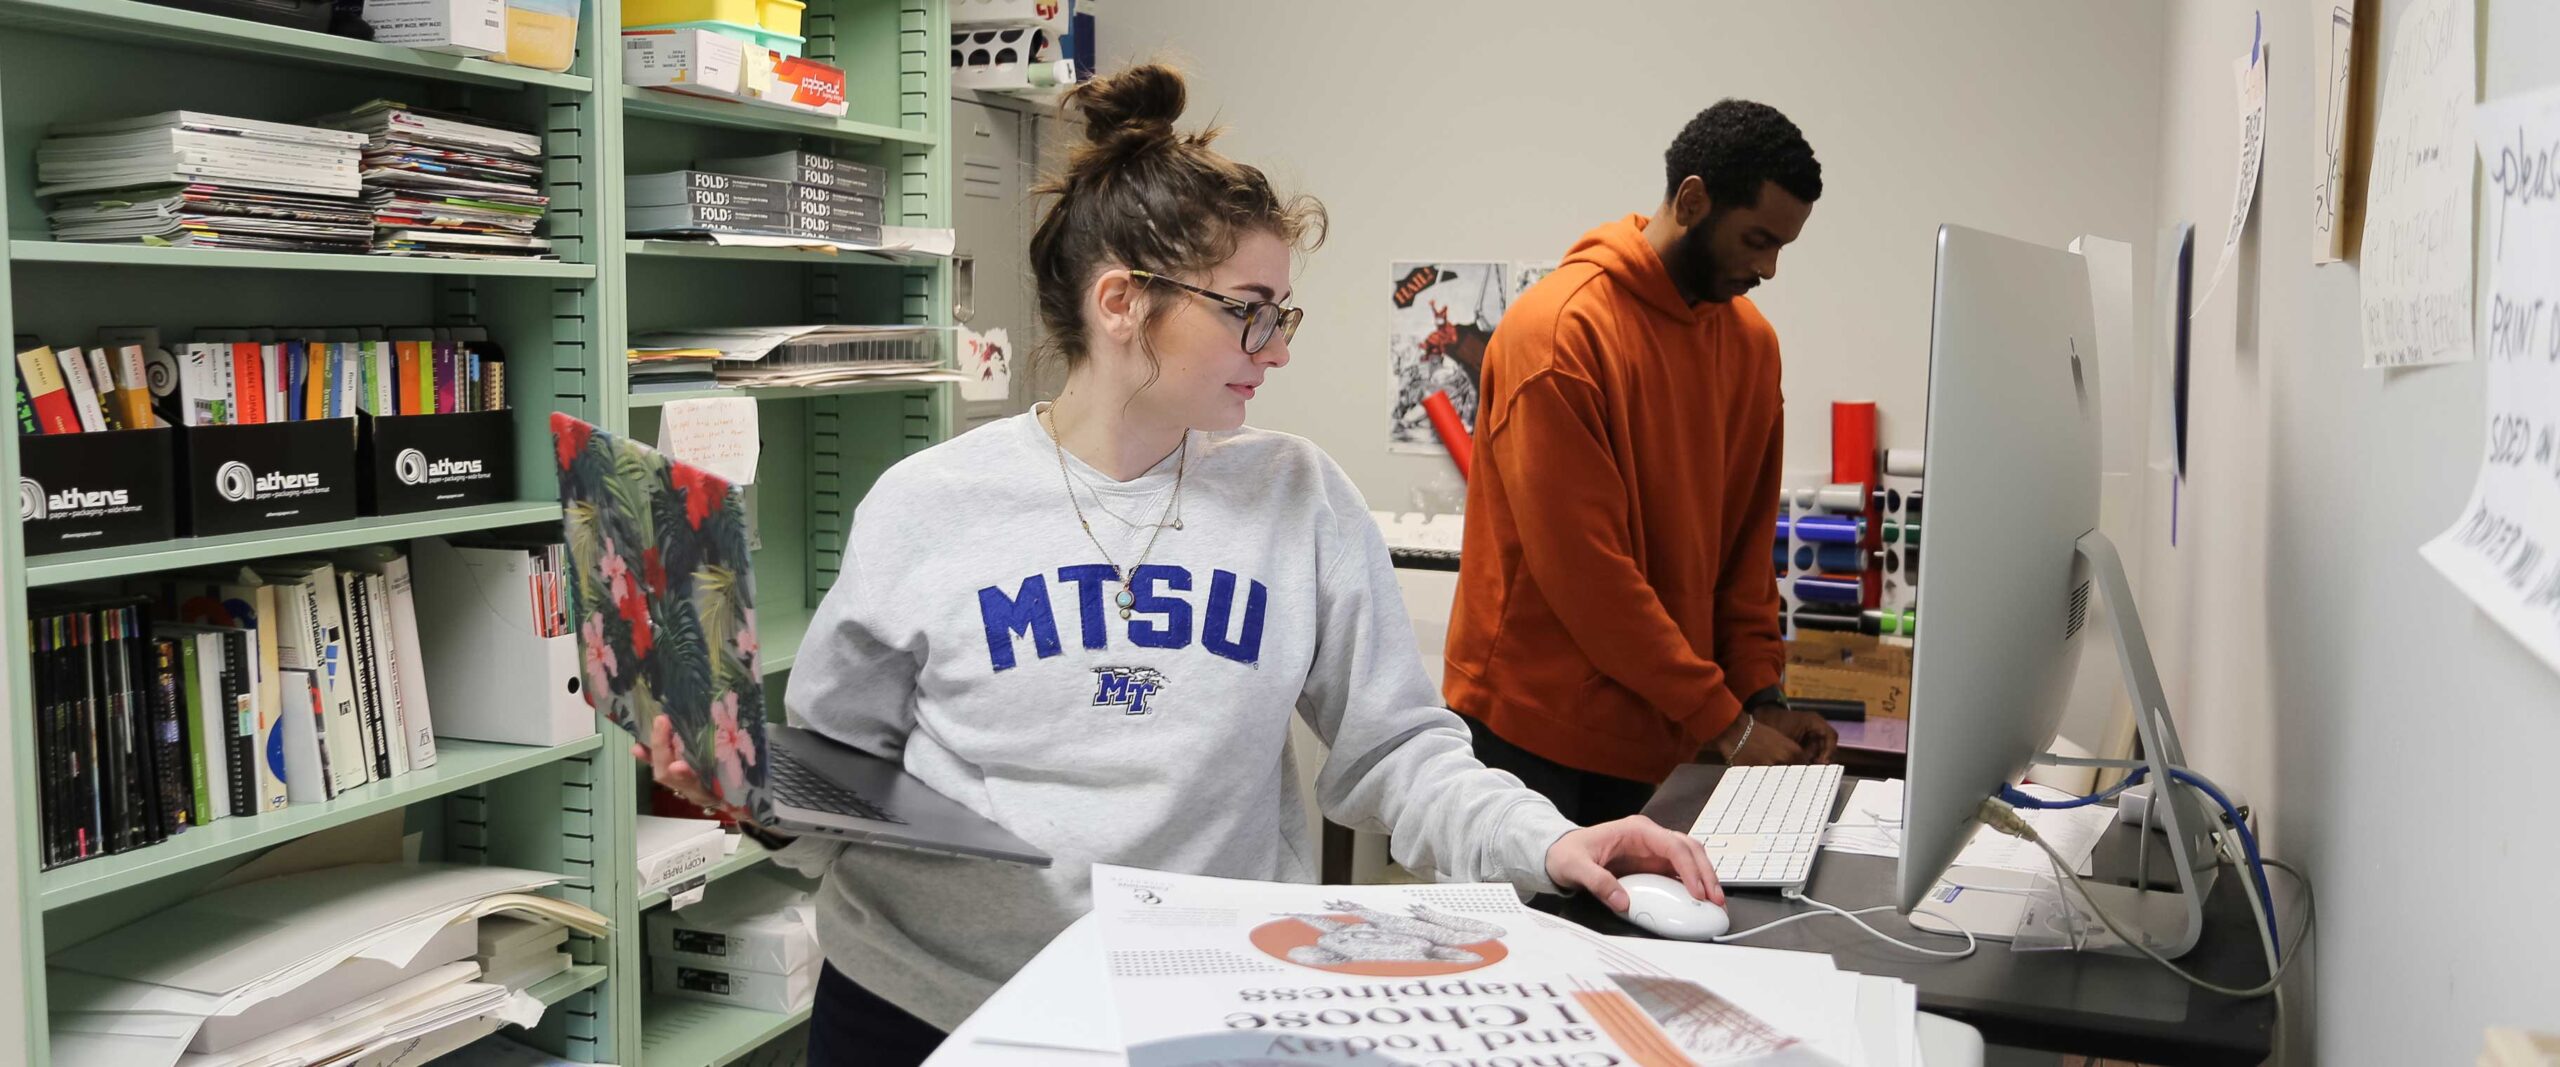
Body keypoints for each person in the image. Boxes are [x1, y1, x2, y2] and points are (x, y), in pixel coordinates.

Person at [632, 64, 1722, 1067]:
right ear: (1121, 303)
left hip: (1195, 1004)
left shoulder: (1298, 497)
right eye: (1250, 313)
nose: (1280, 346)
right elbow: (839, 767)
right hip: (924, 1005)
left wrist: (1556, 838)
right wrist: (747, 793)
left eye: (1280, 312)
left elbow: (1398, 752)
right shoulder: (929, 505)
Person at [1443, 99, 1841, 828]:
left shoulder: (1751, 345)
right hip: (1536, 734)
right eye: (1757, 239)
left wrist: (1761, 697)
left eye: (1783, 246)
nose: (1769, 268)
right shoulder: (1561, 335)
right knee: (1543, 941)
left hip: (1668, 724)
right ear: (1693, 201)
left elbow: (1745, 552)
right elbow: (1589, 576)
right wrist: (1724, 720)